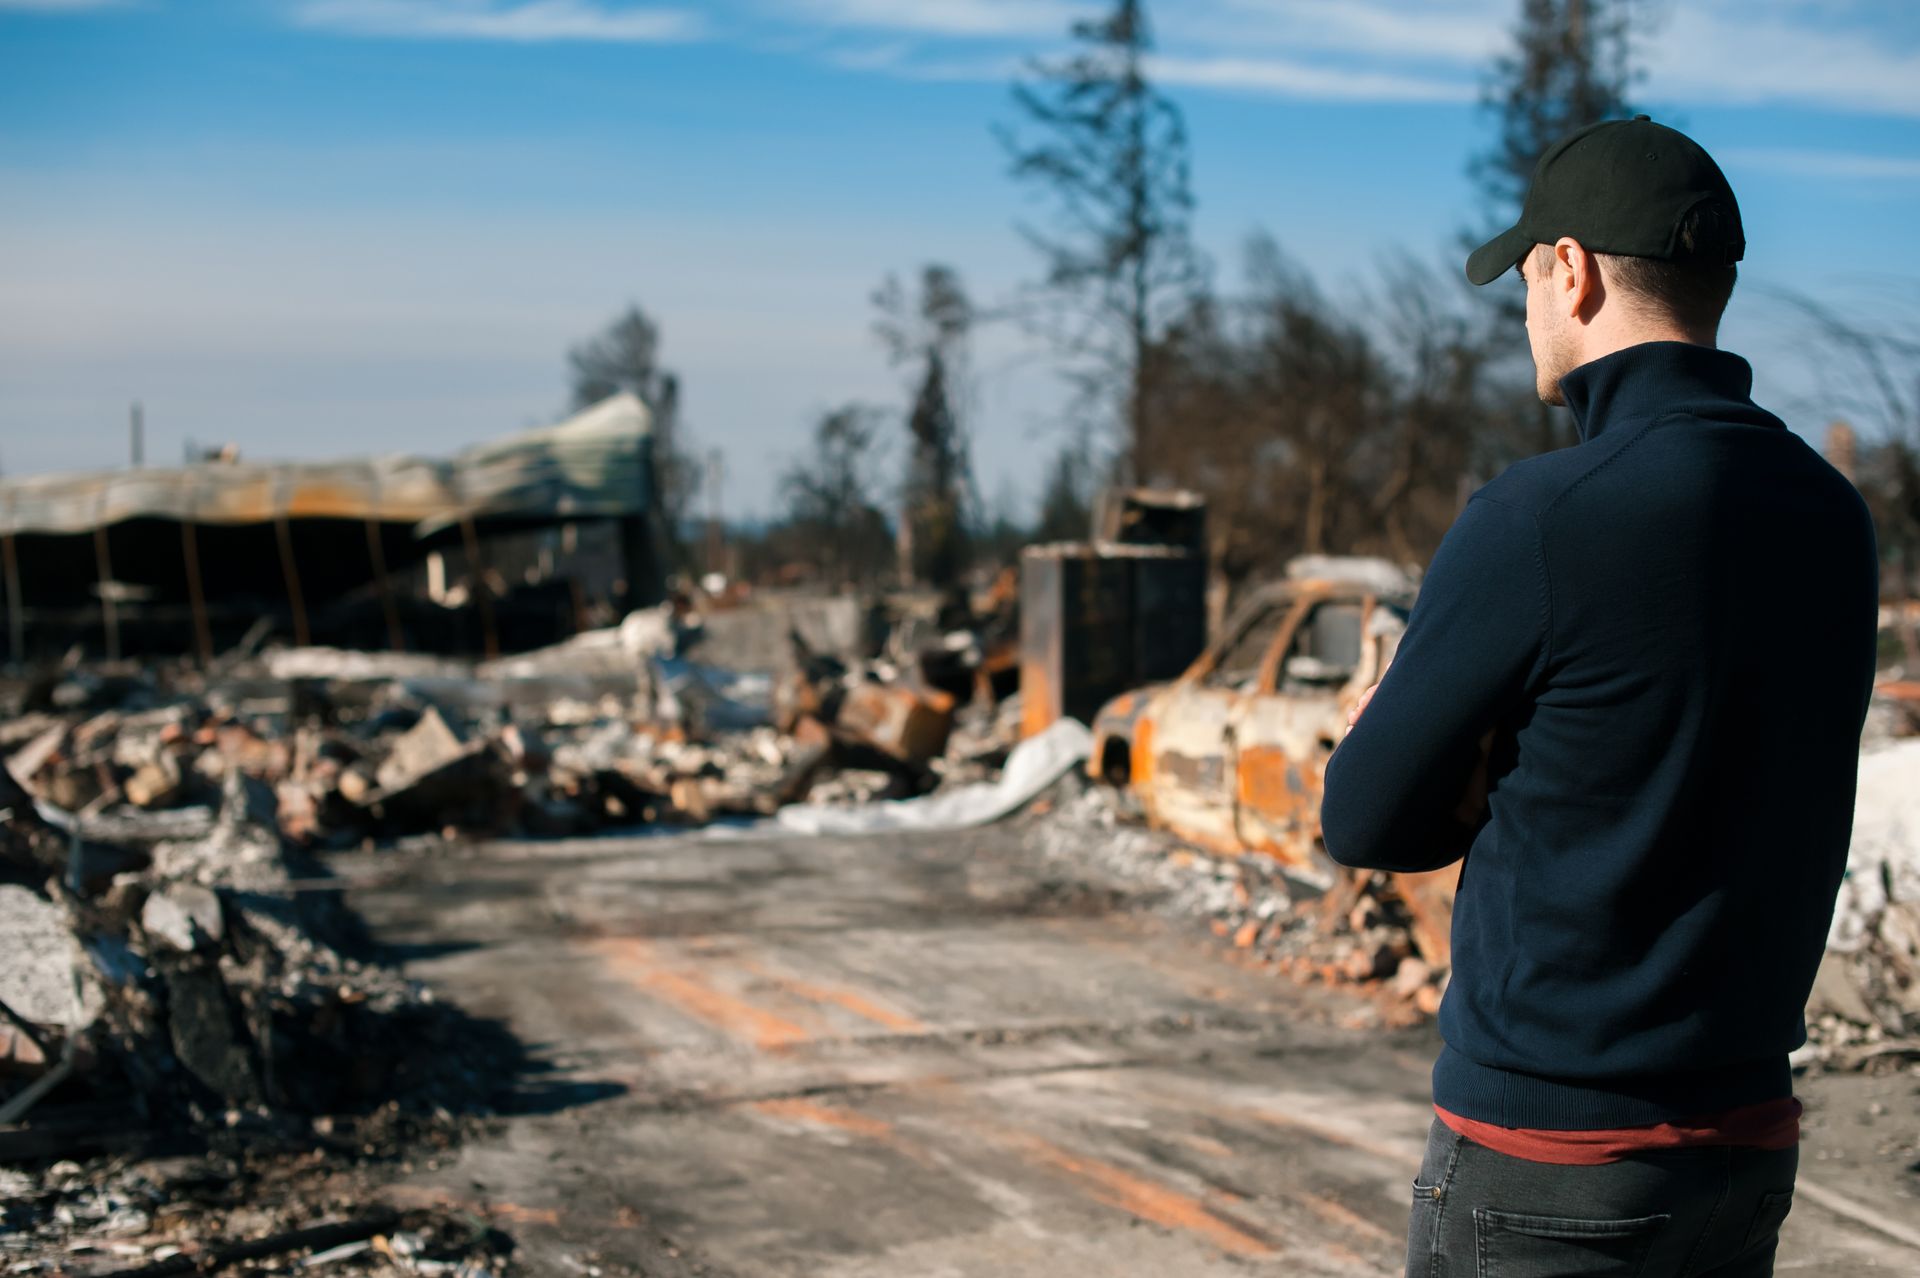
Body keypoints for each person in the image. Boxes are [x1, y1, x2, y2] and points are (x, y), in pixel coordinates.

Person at [1320, 116, 1879, 1277]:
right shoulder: (1832, 518)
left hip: (1552, 1160)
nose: (1526, 312)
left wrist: (1456, 758)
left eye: (1526, 278)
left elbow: (1362, 820)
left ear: (1568, 272)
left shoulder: (1542, 518)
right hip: (1742, 1148)